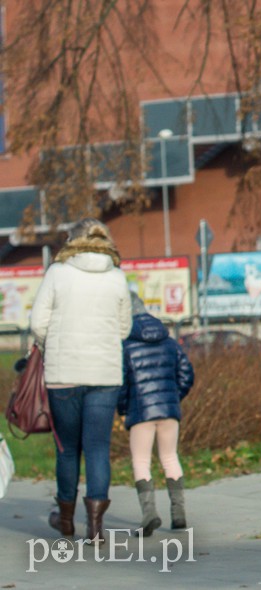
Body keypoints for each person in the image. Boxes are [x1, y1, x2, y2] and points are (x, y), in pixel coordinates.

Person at [30, 218, 132, 542]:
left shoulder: (58, 273)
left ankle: (66, 521)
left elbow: (37, 323)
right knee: (98, 448)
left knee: (68, 450)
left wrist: (53, 345)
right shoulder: (117, 277)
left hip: (64, 375)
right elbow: (124, 328)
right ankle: (97, 528)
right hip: (104, 375)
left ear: (71, 241)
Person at [117, 293, 194, 536]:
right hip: (169, 410)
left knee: (141, 461)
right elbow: (187, 375)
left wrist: (123, 408)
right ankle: (179, 515)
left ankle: (149, 515)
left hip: (141, 412)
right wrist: (173, 397)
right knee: (170, 457)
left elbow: (121, 382)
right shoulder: (169, 341)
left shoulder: (125, 344)